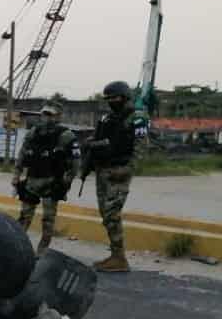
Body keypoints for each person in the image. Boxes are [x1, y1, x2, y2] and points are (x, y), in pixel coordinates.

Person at [83, 80, 146, 272]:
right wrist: (90, 144)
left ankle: (119, 258)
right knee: (106, 215)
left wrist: (128, 170)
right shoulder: (107, 119)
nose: (111, 101)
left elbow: (140, 148)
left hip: (119, 172)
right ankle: (115, 255)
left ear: (125, 97)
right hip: (103, 171)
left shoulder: (137, 118)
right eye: (108, 98)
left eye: (114, 98)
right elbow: (98, 138)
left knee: (112, 214)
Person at [13, 103, 79, 255]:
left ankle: (42, 252)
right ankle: (16, 247)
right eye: (44, 114)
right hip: (32, 181)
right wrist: (16, 175)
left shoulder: (66, 135)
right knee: (24, 217)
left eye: (49, 115)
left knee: (48, 220)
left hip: (52, 182)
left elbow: (75, 162)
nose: (45, 118)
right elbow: (22, 155)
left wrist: (65, 182)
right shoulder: (33, 132)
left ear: (57, 116)